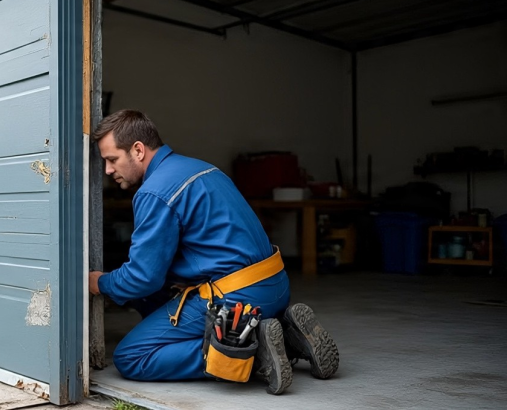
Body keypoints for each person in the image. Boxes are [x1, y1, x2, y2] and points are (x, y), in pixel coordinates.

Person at [88, 109, 339, 395]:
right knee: (153, 295)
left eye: (112, 160)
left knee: (131, 357)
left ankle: (246, 348)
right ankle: (283, 333)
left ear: (137, 150)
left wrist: (99, 283)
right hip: (276, 287)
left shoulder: (154, 192)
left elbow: (141, 278)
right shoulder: (202, 168)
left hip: (237, 299)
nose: (108, 170)